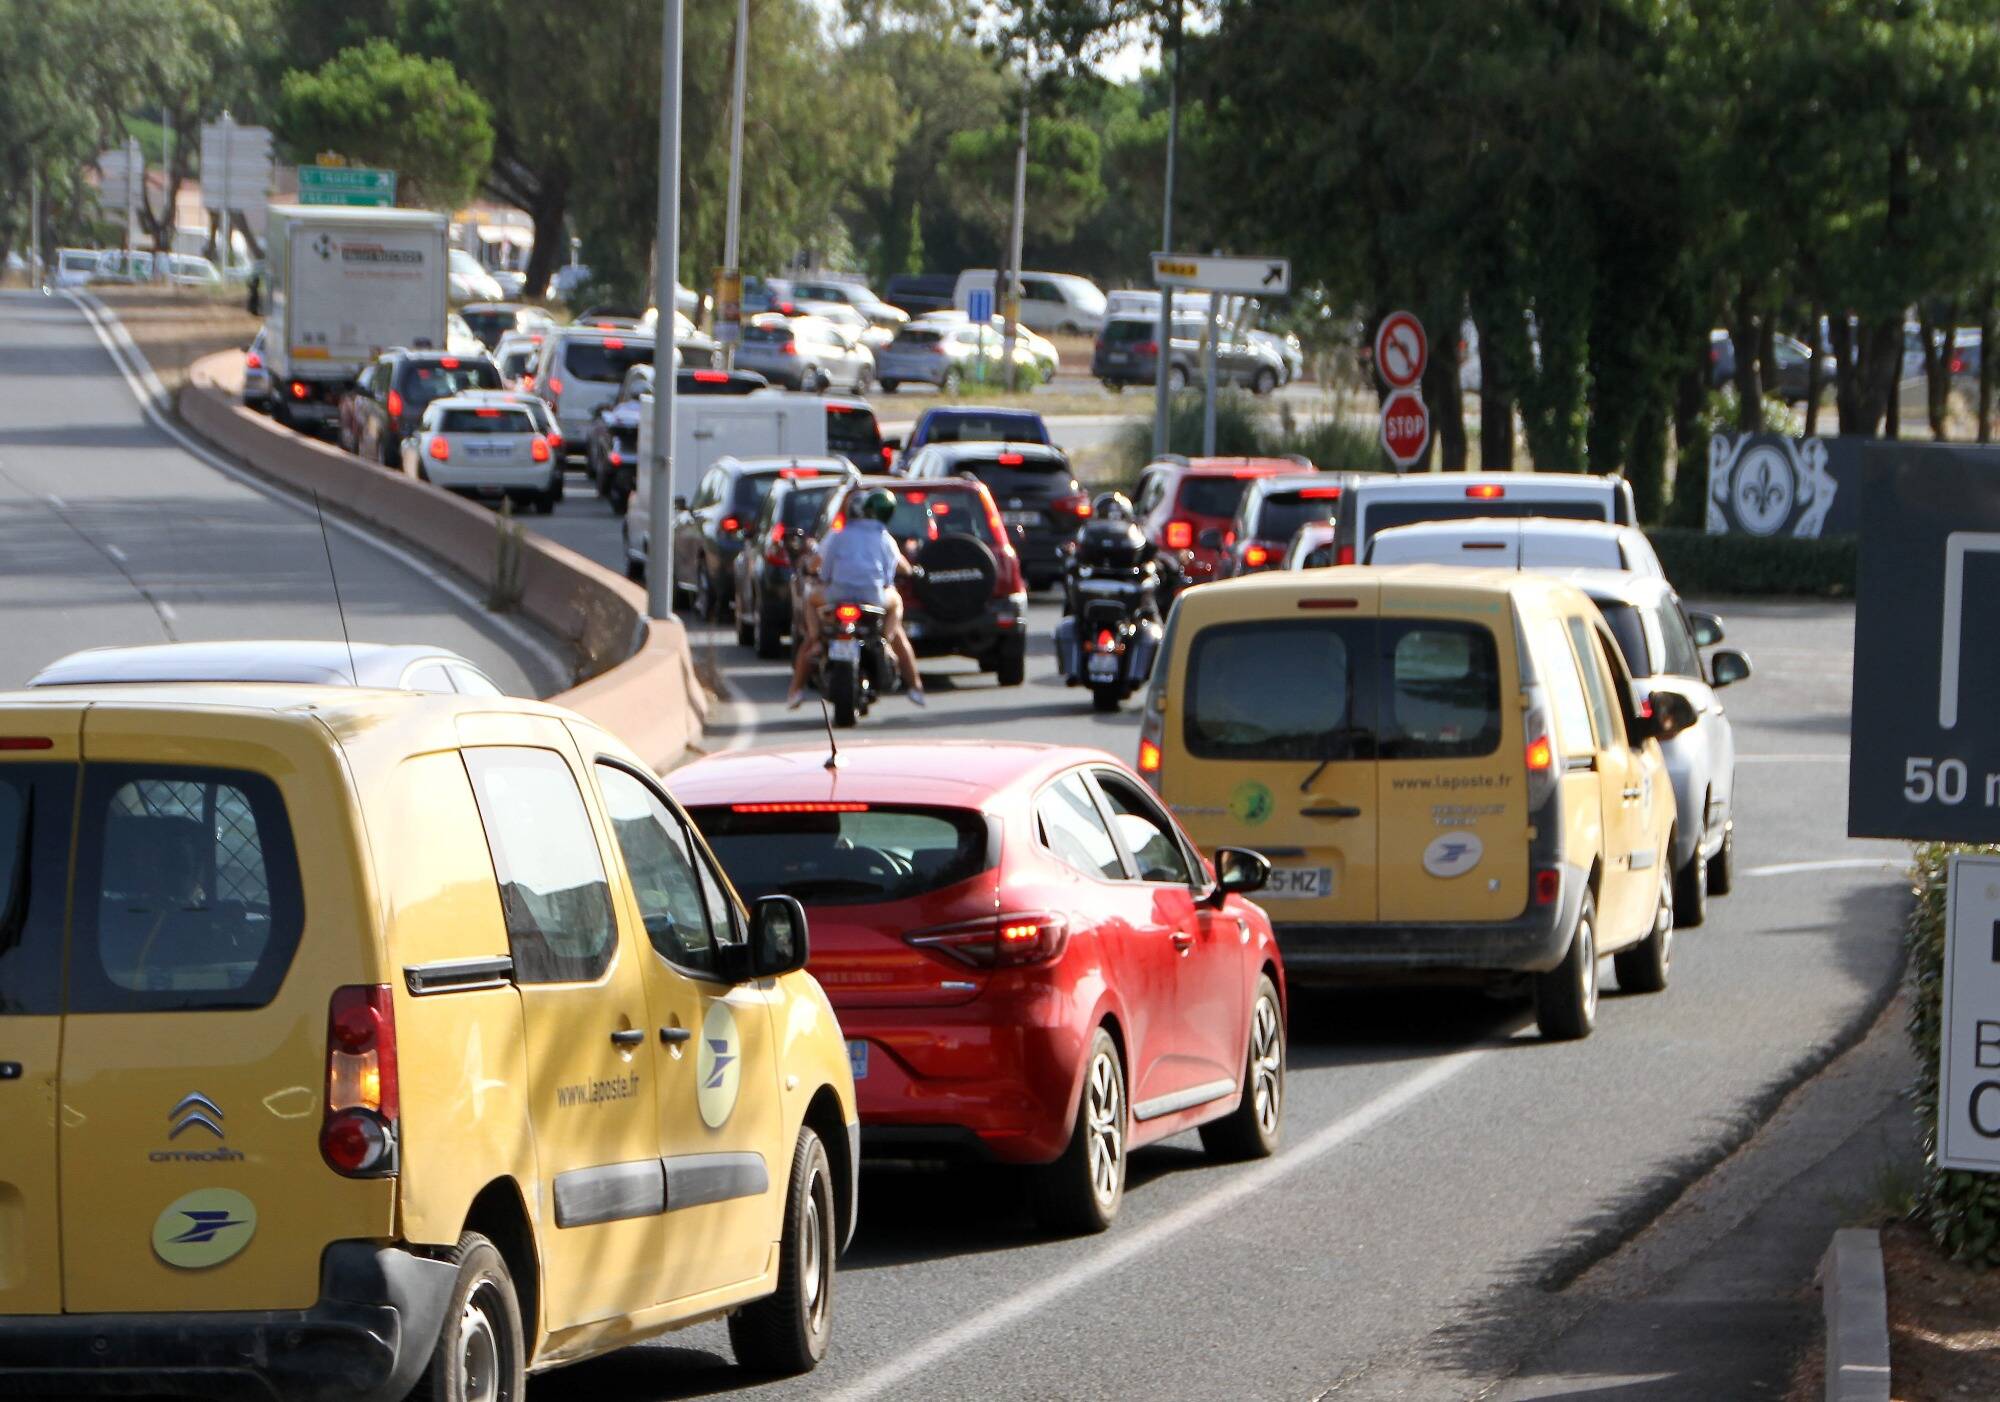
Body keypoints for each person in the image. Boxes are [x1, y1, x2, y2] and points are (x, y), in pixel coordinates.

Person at [787, 488, 924, 709]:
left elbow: (824, 570)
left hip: (837, 595)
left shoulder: (837, 536)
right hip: (874, 598)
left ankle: (806, 661)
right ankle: (896, 657)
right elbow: (892, 573)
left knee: (810, 601)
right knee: (896, 603)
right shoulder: (883, 537)